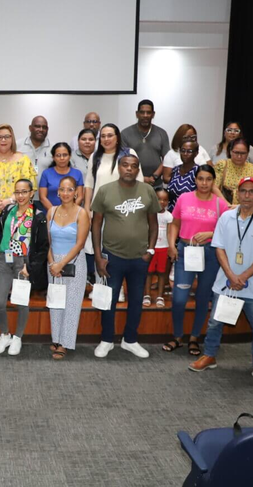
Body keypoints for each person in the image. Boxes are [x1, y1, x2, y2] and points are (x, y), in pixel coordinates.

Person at [189, 177, 253, 389]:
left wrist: (243, 277)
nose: (247, 196)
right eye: (243, 191)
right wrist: (231, 275)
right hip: (226, 283)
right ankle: (209, 356)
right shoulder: (226, 218)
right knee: (215, 323)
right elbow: (218, 247)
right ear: (237, 193)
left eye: (252, 192)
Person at [91, 154, 160, 359]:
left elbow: (154, 225)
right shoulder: (105, 191)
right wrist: (98, 256)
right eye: (125, 165)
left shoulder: (147, 191)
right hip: (112, 256)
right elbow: (96, 226)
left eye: (133, 166)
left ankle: (130, 340)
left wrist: (151, 250)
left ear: (138, 169)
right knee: (109, 301)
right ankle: (106, 340)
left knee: (137, 301)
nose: (129, 169)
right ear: (119, 168)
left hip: (139, 258)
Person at [164, 165, 229, 356]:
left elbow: (228, 231)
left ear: (213, 181)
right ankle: (177, 336)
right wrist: (171, 245)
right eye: (200, 179)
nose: (204, 183)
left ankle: (194, 338)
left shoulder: (220, 204)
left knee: (203, 298)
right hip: (186, 251)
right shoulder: (184, 198)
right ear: (195, 180)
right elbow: (175, 223)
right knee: (179, 298)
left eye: (208, 179)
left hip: (210, 254)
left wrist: (211, 233)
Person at [84, 123, 142, 300]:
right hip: (99, 212)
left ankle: (119, 290)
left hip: (122, 213)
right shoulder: (95, 156)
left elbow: (138, 182)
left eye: (110, 135)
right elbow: (89, 184)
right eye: (103, 136)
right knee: (98, 249)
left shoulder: (128, 154)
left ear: (117, 137)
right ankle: (100, 287)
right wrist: (87, 208)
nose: (106, 139)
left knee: (117, 252)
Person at [0, 179, 49, 356]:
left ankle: (18, 337)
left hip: (23, 263)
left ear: (32, 193)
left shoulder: (38, 215)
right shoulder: (8, 210)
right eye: (17, 192)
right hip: (4, 260)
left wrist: (30, 267)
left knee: (21, 301)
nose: (21, 196)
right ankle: (5, 334)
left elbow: (42, 246)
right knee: (0, 302)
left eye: (24, 192)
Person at [47, 176, 90, 360]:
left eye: (69, 189)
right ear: (58, 192)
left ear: (76, 193)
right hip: (53, 263)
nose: (65, 193)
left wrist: (61, 264)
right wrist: (52, 264)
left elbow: (80, 244)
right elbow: (46, 242)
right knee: (55, 302)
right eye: (62, 190)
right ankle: (56, 338)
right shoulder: (51, 211)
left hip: (74, 263)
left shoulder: (82, 214)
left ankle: (65, 342)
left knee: (71, 304)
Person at [121, 100, 170, 187]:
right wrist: (141, 178)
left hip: (155, 183)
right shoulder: (125, 133)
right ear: (137, 114)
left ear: (153, 114)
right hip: (132, 182)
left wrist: (154, 176)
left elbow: (166, 159)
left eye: (148, 112)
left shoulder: (161, 133)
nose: (145, 115)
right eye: (142, 112)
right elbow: (123, 161)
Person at [144, 187, 171, 308]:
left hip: (163, 248)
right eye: (159, 199)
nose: (162, 202)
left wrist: (170, 247)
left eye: (165, 200)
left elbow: (170, 233)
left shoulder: (169, 216)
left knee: (161, 273)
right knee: (148, 272)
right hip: (150, 248)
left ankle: (160, 296)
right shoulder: (148, 214)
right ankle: (147, 295)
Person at [213, 137, 253, 204]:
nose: (239, 156)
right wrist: (227, 205)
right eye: (236, 153)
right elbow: (214, 187)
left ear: (248, 154)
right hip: (224, 206)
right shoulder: (222, 165)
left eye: (243, 153)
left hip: (246, 207)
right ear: (230, 151)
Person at [18, 116, 52, 208]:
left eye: (44, 127)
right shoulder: (17, 146)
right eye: (37, 126)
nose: (41, 129)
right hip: (21, 199)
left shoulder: (53, 149)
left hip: (45, 200)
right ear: (30, 128)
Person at [38, 143, 84, 211]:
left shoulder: (77, 173)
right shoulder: (46, 173)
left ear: (70, 156)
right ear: (53, 157)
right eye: (58, 155)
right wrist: (55, 212)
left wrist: (69, 211)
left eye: (65, 155)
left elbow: (80, 197)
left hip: (72, 214)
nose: (62, 158)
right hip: (51, 214)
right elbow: (42, 197)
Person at [165, 140, 200, 211]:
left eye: (189, 151)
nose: (185, 153)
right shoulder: (175, 170)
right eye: (183, 150)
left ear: (196, 153)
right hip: (171, 214)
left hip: (189, 213)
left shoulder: (198, 171)